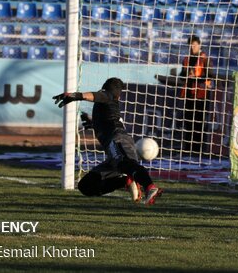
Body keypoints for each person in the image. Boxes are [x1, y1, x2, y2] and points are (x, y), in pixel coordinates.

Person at [53, 77, 163, 205]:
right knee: (86, 186)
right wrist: (92, 123)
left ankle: (150, 187)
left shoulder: (107, 96)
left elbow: (98, 96)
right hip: (113, 150)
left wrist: (75, 96)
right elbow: (107, 119)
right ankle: (126, 181)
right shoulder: (106, 104)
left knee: (125, 163)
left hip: (118, 140)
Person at [179, 35, 212, 155]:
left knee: (199, 123)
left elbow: (210, 75)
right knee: (188, 122)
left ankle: (198, 150)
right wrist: (186, 75)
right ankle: (188, 148)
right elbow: (182, 75)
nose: (193, 47)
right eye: (191, 45)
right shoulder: (186, 59)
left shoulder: (205, 59)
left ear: (199, 45)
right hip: (189, 95)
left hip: (201, 95)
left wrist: (196, 78)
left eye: (195, 44)